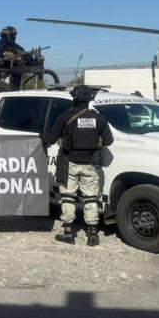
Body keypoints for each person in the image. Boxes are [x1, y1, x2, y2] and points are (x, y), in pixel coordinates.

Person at [40, 85, 113, 246]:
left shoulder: (64, 117)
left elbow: (50, 139)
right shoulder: (99, 119)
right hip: (90, 164)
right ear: (90, 99)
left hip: (69, 163)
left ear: (74, 98)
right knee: (91, 198)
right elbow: (109, 141)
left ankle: (68, 233)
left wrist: (41, 134)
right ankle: (92, 234)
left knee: (68, 197)